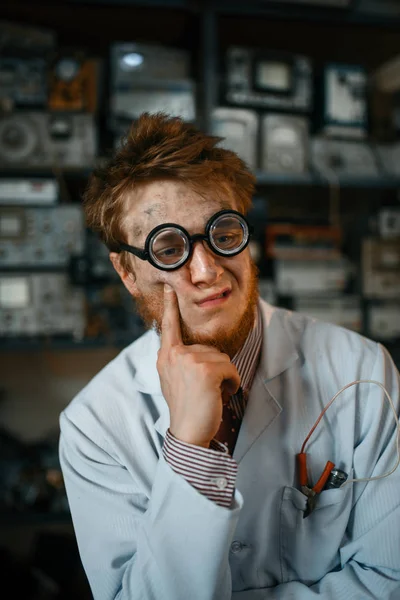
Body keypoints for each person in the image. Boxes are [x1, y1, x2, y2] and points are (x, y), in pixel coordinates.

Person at [59, 112, 400, 600]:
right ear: (127, 272)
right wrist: (189, 450)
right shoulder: (96, 426)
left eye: (222, 234)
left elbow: (388, 582)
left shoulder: (362, 372)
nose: (206, 270)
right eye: (169, 247)